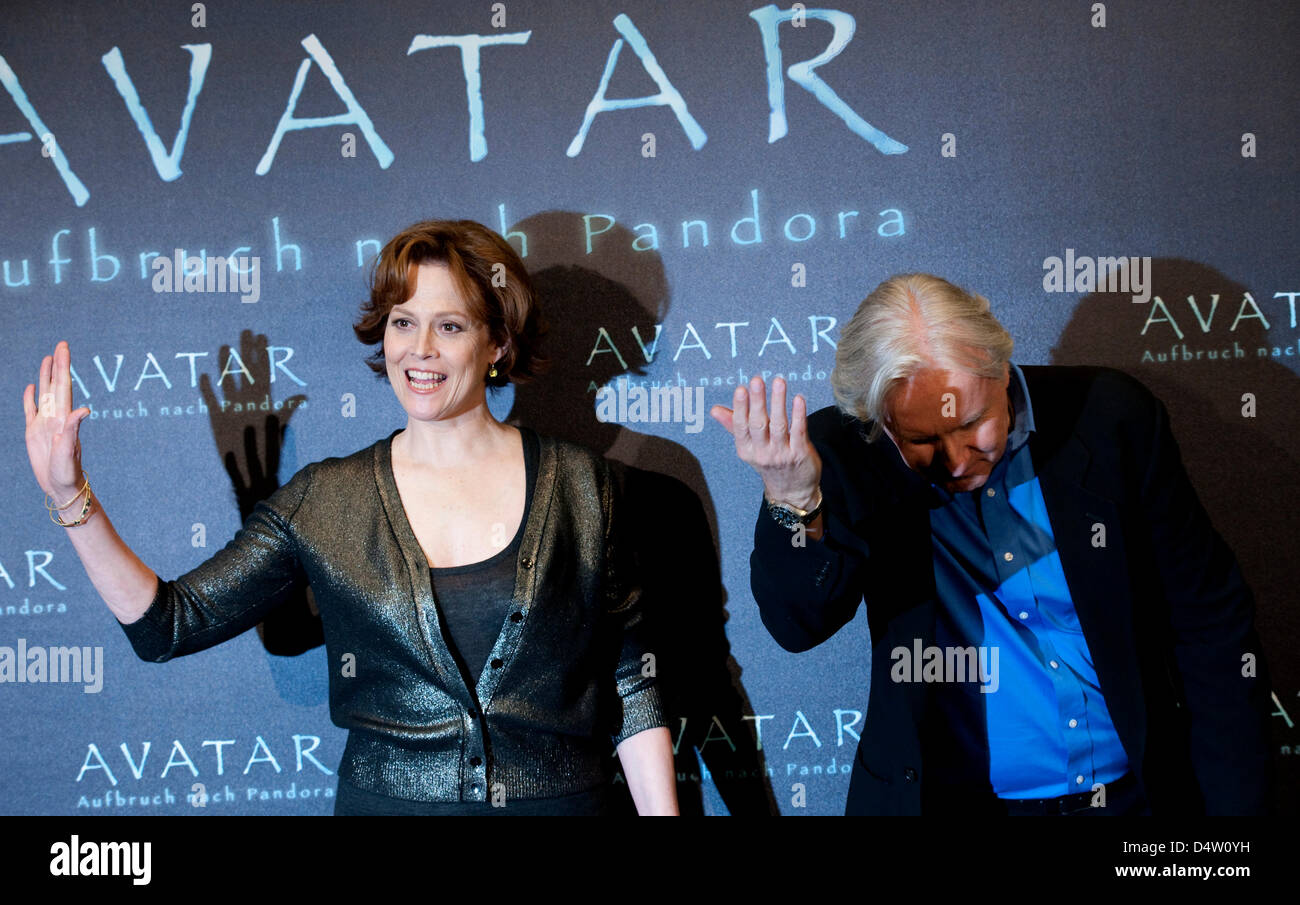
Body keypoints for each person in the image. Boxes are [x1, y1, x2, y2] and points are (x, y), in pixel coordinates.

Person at [22, 219, 678, 816]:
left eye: (449, 325)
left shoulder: (581, 484)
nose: (418, 350)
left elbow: (629, 674)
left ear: (497, 342)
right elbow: (166, 624)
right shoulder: (327, 497)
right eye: (401, 321)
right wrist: (70, 497)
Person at [711, 272, 1273, 816]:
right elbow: (796, 626)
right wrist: (792, 498)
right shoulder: (842, 452)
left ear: (1002, 371)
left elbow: (1210, 627)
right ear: (881, 420)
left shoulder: (1111, 418)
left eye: (974, 423)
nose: (957, 461)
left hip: (1134, 799)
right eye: (923, 440)